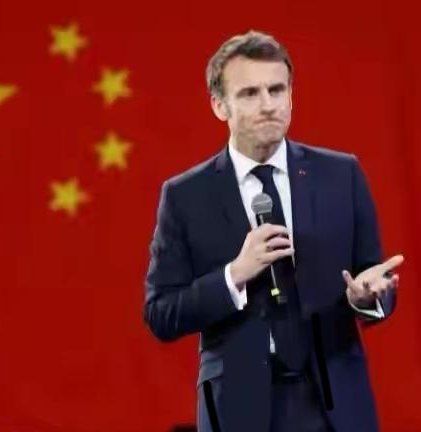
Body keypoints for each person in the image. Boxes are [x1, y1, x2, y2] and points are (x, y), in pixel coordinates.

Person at [144, 30, 403, 432]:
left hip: (334, 404)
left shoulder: (341, 175)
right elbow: (161, 314)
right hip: (237, 408)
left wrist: (368, 297)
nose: (268, 105)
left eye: (276, 90)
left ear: (291, 97)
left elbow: (373, 276)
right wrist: (233, 276)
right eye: (250, 93)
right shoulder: (185, 196)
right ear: (219, 106)